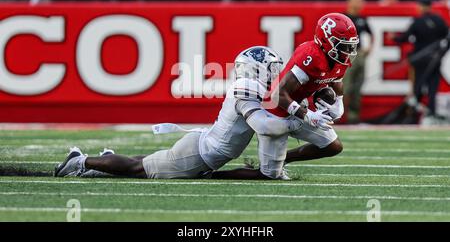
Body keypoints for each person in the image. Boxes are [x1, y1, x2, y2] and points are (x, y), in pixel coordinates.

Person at [54, 46, 303, 180]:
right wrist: (298, 121)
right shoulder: (246, 87)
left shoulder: (253, 88)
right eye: (271, 68)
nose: (276, 74)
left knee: (143, 163)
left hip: (202, 147)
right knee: (136, 170)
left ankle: (106, 159)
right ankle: (79, 161)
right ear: (255, 70)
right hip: (199, 155)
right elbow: (264, 126)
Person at [211, 13, 359, 179]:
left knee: (333, 146)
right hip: (276, 113)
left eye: (349, 46)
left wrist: (338, 102)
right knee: (268, 176)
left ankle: (283, 159)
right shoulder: (311, 56)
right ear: (325, 41)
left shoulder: (338, 58)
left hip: (297, 109)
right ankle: (213, 176)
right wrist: (308, 115)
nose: (348, 51)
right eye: (343, 45)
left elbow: (336, 80)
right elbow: (278, 95)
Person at [393, 0, 449, 124]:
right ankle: (431, 113)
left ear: (423, 6)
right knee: (432, 87)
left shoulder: (417, 21)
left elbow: (404, 38)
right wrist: (441, 53)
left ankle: (414, 114)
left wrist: (394, 37)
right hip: (435, 60)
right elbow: (447, 38)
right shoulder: (439, 20)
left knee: (418, 86)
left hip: (420, 59)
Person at [343, 0, 373, 123]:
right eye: (358, 0)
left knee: (357, 86)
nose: (361, 3)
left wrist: (370, 48)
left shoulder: (362, 19)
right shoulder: (343, 18)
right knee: (345, 87)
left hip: (359, 53)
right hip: (347, 55)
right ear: (350, 0)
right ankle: (338, 116)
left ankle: (353, 117)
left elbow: (371, 34)